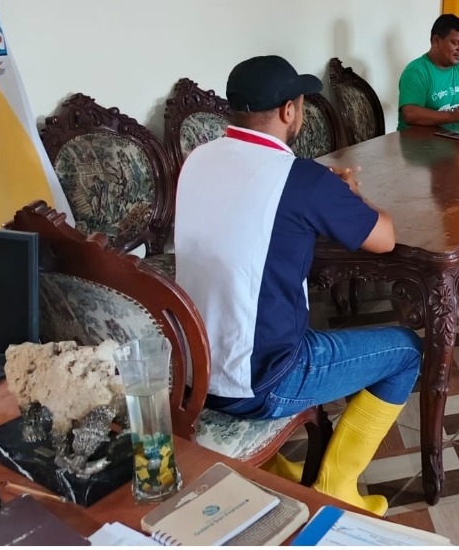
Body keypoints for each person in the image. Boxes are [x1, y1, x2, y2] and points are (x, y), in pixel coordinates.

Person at [175, 55, 423, 516]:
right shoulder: (302, 180)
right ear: (289, 110)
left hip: (193, 370)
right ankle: (336, 485)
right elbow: (384, 238)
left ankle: (273, 469)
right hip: (262, 381)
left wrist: (322, 191)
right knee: (407, 351)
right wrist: (350, 196)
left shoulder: (198, 159)